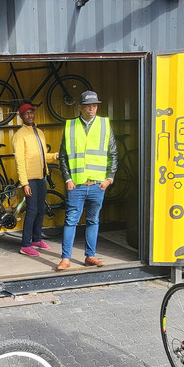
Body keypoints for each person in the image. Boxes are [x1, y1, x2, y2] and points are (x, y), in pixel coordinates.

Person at [57, 90, 117, 270]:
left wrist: (109, 179)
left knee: (93, 220)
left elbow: (113, 154)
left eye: (94, 105)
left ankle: (90, 256)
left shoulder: (104, 125)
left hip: (98, 185)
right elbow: (62, 156)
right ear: (80, 108)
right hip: (76, 185)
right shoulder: (70, 126)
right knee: (71, 221)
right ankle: (65, 259)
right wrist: (67, 179)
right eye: (88, 106)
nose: (92, 109)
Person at [12, 102, 60, 257]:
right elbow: (19, 161)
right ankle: (25, 245)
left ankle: (36, 239)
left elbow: (42, 156)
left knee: (40, 209)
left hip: (41, 176)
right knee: (32, 210)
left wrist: (55, 156)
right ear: (21, 116)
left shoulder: (39, 132)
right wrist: (24, 183)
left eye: (31, 113)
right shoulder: (19, 136)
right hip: (30, 179)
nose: (30, 115)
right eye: (27, 113)